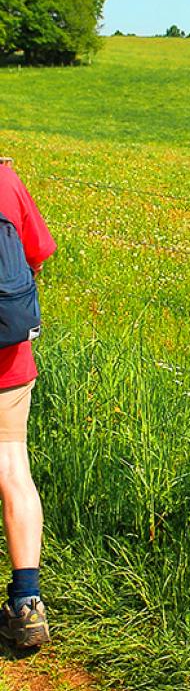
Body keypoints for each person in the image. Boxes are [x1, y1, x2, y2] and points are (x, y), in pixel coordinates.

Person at [0, 159, 56, 648]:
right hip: (9, 357)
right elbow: (40, 251)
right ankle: (27, 603)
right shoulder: (4, 178)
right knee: (14, 467)